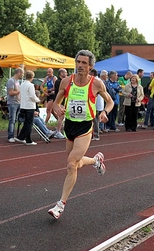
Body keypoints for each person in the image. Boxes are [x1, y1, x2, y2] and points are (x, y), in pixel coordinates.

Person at [48, 50, 114, 219]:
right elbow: (56, 102)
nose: (80, 66)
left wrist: (105, 112)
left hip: (85, 127)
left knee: (71, 164)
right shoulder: (65, 82)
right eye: (78, 62)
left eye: (84, 63)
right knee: (74, 164)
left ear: (90, 66)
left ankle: (60, 205)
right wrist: (57, 107)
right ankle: (95, 160)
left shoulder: (96, 84)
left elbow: (110, 101)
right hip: (69, 126)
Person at [15, 70, 40, 145]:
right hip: (29, 106)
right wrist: (38, 100)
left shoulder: (22, 84)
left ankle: (21, 137)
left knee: (26, 123)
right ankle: (28, 140)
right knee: (29, 123)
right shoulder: (31, 85)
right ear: (32, 77)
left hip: (23, 105)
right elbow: (32, 96)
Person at [6, 68, 24, 143]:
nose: (23, 75)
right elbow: (10, 92)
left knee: (15, 119)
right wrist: (18, 92)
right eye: (22, 73)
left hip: (18, 102)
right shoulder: (11, 81)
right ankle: (10, 136)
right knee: (12, 120)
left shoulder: (17, 81)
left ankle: (13, 134)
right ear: (19, 73)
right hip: (12, 103)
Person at [51, 68, 66, 139]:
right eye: (65, 73)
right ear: (61, 73)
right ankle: (58, 131)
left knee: (61, 117)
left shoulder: (59, 81)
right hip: (61, 101)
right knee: (61, 116)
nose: (66, 74)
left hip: (61, 101)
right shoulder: (60, 81)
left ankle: (58, 130)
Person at [89, 68, 104, 140]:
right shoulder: (96, 80)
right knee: (93, 119)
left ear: (92, 74)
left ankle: (96, 134)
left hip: (95, 103)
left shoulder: (96, 81)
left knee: (95, 119)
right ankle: (93, 134)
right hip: (95, 103)